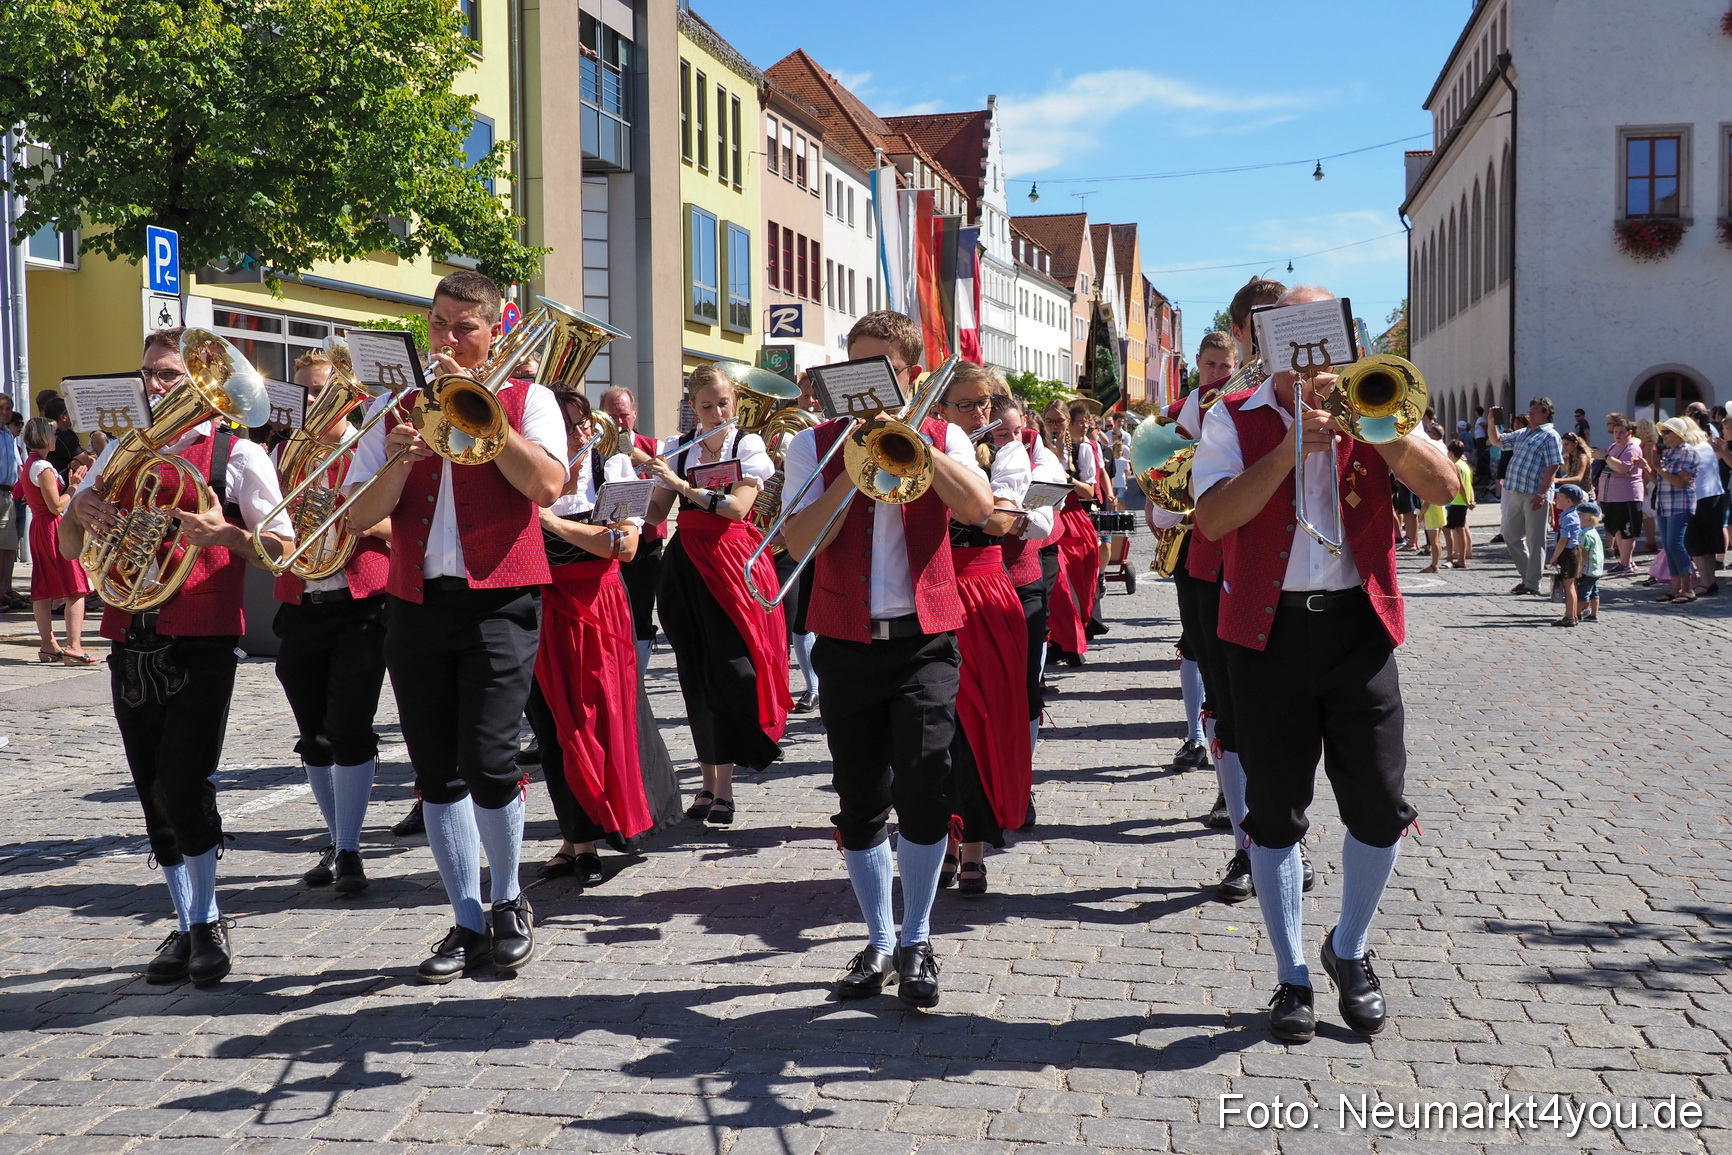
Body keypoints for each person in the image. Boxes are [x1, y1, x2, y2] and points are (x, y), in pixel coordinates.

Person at [1193, 285, 1458, 1044]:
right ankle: (1292, 973)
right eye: (1294, 332)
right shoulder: (1231, 417)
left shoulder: (1381, 406)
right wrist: (1289, 448)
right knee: (1273, 814)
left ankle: (1348, 947)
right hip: (1266, 634)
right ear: (1265, 342)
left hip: (1356, 629)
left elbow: (1444, 489)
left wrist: (1374, 429)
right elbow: (1211, 521)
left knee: (1379, 804)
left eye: (1328, 331)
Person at [342, 270, 567, 983]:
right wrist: (403, 459)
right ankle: (466, 917)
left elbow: (547, 486)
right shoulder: (395, 406)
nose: (445, 339)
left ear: (495, 329)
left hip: (499, 596)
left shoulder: (530, 399)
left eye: (463, 327)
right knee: (435, 769)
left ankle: (509, 900)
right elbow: (357, 512)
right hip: (415, 598)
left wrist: (479, 421)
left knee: (491, 757)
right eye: (438, 323)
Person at [69, 327, 295, 987]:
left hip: (201, 635)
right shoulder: (119, 448)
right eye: (150, 374)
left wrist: (228, 534)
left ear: (202, 383)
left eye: (169, 375)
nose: (156, 386)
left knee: (183, 780)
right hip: (130, 633)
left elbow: (284, 546)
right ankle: (190, 919)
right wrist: (80, 506)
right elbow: (67, 540)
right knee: (151, 791)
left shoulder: (238, 454)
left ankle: (207, 920)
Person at [780, 310, 992, 1008]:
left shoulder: (940, 434)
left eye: (880, 371)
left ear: (908, 375)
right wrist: (855, 457)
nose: (864, 386)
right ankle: (877, 938)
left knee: (927, 787)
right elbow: (800, 537)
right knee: (860, 797)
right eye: (853, 371)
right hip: (843, 636)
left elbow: (981, 508)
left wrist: (916, 450)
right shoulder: (813, 446)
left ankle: (917, 937)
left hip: (925, 635)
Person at [527, 387, 678, 885]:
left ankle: (606, 828)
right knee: (554, 730)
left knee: (600, 719)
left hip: (598, 608)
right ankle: (576, 841)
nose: (580, 433)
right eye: (567, 425)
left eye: (582, 423)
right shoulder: (529, 476)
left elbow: (626, 545)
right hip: (541, 609)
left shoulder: (611, 471)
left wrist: (553, 524)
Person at [270, 349, 393, 894]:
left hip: (359, 603)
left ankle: (349, 849)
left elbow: (399, 524)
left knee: (349, 731)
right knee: (313, 738)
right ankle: (338, 837)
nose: (312, 402)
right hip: (301, 602)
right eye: (304, 393)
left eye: (321, 391)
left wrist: (345, 517)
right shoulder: (284, 453)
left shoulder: (369, 448)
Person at [647, 364, 790, 826]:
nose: (716, 411)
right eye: (706, 405)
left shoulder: (746, 444)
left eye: (723, 403)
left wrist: (681, 484)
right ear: (693, 406)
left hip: (730, 563)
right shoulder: (678, 447)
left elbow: (737, 509)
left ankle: (724, 787)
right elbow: (655, 512)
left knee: (732, 672)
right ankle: (709, 786)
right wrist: (629, 491)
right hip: (685, 564)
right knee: (693, 674)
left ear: (735, 402)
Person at [935, 362, 1032, 897]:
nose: (980, 414)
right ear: (942, 410)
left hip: (984, 593)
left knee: (982, 729)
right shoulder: (929, 446)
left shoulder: (1010, 453)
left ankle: (972, 848)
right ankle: (942, 839)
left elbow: (1004, 517)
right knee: (937, 731)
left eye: (986, 404)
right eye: (967, 405)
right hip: (930, 590)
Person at [599, 386, 664, 673]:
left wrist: (631, 452)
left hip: (646, 542)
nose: (618, 422)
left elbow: (664, 478)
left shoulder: (653, 446)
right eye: (611, 415)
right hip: (608, 540)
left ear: (634, 415)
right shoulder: (594, 448)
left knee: (640, 610)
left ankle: (638, 675)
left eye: (623, 415)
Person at [19, 417, 93, 662]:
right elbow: (55, 506)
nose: (55, 438)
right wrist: (73, 488)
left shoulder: (31, 463)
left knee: (42, 588)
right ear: (43, 437)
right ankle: (74, 646)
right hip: (51, 527)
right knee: (76, 586)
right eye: (51, 434)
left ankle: (48, 644)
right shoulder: (43, 467)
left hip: (39, 527)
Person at [1043, 397, 1102, 665]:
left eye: (1059, 420)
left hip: (1075, 521)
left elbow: (1090, 491)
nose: (1054, 426)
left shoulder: (1082, 449)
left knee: (1078, 587)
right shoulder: (1038, 448)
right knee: (1058, 586)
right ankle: (1063, 642)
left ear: (1068, 421)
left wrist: (1067, 478)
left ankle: (1072, 639)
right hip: (1051, 520)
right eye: (1050, 421)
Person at [1488, 397, 1564, 596]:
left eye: (1535, 410)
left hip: (1534, 494)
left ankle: (1532, 583)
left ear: (1546, 413)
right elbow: (1497, 441)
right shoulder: (1524, 432)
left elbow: (1553, 466)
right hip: (1517, 491)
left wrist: (1541, 493)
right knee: (1511, 536)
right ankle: (1527, 576)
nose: (1530, 413)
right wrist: (1491, 422)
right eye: (1530, 410)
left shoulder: (1550, 435)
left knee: (1535, 540)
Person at [1655, 417, 1701, 606]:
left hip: (1680, 503)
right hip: (1664, 502)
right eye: (1663, 432)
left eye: (1667, 432)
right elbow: (1660, 478)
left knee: (1675, 543)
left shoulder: (1688, 452)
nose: (1663, 436)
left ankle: (1688, 588)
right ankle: (1675, 588)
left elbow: (1680, 482)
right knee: (1667, 545)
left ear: (1678, 434)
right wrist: (1649, 467)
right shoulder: (1669, 452)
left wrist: (1659, 468)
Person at [1597, 413, 1646, 574]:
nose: (1617, 435)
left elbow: (1623, 468)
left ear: (1629, 433)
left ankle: (1625, 562)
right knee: (1616, 528)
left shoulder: (1632, 448)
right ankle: (1625, 561)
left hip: (1626, 496)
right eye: (1615, 432)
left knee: (1627, 530)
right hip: (1611, 496)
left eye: (1621, 432)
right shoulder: (1613, 446)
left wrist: (1605, 456)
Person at [1685, 420, 1725, 597]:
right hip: (1713, 495)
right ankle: (1710, 582)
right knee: (1708, 544)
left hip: (1700, 498)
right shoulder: (1705, 445)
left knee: (1696, 543)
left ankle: (1705, 582)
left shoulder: (1691, 449)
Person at [1547, 484, 1586, 627]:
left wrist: (1554, 557)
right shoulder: (1571, 515)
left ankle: (1570, 616)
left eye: (1559, 497)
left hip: (1569, 554)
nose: (1556, 500)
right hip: (1573, 552)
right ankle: (1573, 615)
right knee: (1571, 586)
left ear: (1569, 501)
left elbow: (1563, 540)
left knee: (1568, 586)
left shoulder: (1567, 517)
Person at [0, 394, 21, 610]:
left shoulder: (8, 435)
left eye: (8, 408)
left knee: (8, 546)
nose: (6, 412)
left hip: (8, 494)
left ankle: (5, 589)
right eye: (2, 408)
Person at [1445, 439, 1475, 568]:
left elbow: (1462, 486)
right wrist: (1471, 499)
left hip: (1457, 501)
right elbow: (1470, 485)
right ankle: (1461, 558)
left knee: (1446, 528)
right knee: (1460, 529)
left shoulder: (1456, 466)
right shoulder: (1464, 465)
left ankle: (1451, 556)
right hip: (1462, 502)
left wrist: (1468, 501)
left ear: (1451, 452)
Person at [1577, 502, 1604, 622]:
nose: (1577, 517)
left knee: (1582, 592)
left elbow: (1584, 553)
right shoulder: (1593, 532)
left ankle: (1576, 613)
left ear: (1589, 518)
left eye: (1580, 515)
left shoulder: (1585, 534)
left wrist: (1579, 569)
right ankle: (1594, 614)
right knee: (1594, 591)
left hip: (1587, 569)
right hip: (1596, 569)